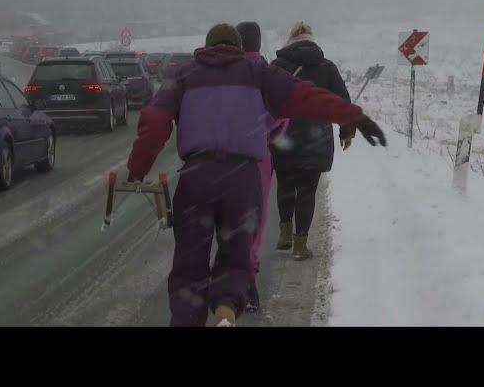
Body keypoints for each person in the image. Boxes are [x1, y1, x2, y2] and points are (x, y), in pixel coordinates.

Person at [126, 23, 385, 327]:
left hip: (197, 176)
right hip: (242, 177)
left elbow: (155, 121)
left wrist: (138, 169)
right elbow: (308, 96)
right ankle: (225, 311)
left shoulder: (184, 75)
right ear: (238, 47)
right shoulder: (259, 73)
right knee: (236, 256)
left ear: (207, 47)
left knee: (189, 264)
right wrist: (355, 117)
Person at [270, 21, 356, 260]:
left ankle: (285, 232)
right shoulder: (326, 68)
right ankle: (300, 245)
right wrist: (346, 132)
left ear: (291, 39)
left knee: (285, 184)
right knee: (307, 191)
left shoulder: (276, 67)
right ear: (312, 40)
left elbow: (265, 101)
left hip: (283, 136)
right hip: (315, 138)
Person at [235, 21, 288, 314]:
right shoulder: (270, 76)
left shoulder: (224, 75)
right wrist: (270, 136)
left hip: (223, 157)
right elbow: (282, 116)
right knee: (256, 218)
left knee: (227, 216)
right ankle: (248, 283)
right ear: (258, 43)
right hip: (259, 158)